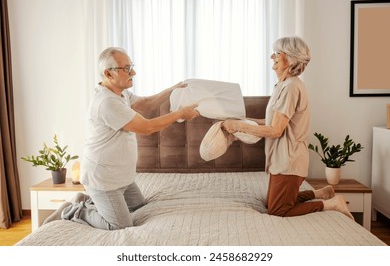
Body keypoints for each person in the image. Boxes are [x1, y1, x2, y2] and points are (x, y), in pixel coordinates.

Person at [44, 47, 199, 230]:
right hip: (104, 179)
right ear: (108, 73)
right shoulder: (107, 102)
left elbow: (145, 103)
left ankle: (89, 200)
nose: (133, 72)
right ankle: (77, 210)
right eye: (126, 68)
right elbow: (147, 127)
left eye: (131, 66)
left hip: (122, 177)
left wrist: (171, 90)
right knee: (120, 225)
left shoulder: (119, 92)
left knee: (139, 207)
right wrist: (180, 113)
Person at [222, 37, 353, 220]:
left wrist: (238, 125)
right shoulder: (282, 85)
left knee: (277, 210)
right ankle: (320, 193)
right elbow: (270, 122)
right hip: (281, 159)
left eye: (277, 53)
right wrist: (242, 122)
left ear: (290, 59)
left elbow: (275, 130)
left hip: (289, 161)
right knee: (271, 202)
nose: (271, 56)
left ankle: (331, 203)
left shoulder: (291, 87)